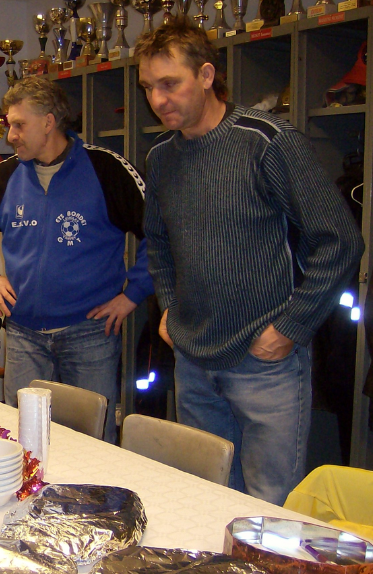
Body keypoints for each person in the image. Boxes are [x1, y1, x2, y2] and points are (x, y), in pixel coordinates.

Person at [135, 22, 364, 504]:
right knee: (206, 498)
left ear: (206, 75)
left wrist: (291, 327)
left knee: (268, 508)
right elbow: (158, 241)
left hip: (266, 362)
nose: (157, 100)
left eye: (169, 83)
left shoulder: (266, 142)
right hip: (193, 360)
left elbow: (340, 241)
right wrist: (170, 306)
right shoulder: (161, 158)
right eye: (148, 87)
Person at [0, 76, 153, 444]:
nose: (10, 135)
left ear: (48, 122)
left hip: (90, 335)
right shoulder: (6, 175)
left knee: (94, 444)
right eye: (9, 125)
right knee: (24, 441)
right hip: (24, 335)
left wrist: (133, 294)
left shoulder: (106, 169)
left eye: (19, 125)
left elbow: (158, 233)